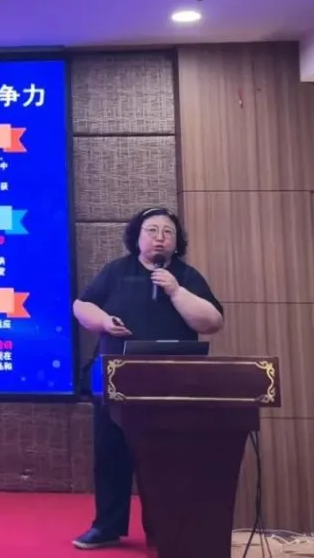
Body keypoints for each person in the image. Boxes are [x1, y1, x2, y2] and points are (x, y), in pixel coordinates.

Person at [70, 206, 224, 551]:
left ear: (177, 242)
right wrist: (104, 321)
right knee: (111, 455)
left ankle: (164, 528)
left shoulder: (185, 276)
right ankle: (107, 527)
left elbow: (212, 322)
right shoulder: (117, 271)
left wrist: (175, 291)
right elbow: (81, 306)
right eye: (152, 230)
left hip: (172, 385)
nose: (160, 238)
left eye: (168, 232)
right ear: (137, 237)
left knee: (166, 460)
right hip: (117, 381)